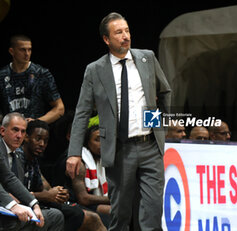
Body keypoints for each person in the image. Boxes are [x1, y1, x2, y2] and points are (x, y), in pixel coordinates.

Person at [66, 12, 171, 231]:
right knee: (120, 216)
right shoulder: (95, 70)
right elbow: (82, 112)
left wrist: (159, 125)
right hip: (119, 150)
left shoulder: (147, 58)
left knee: (152, 213)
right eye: (118, 32)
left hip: (150, 146)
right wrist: (74, 152)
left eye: (127, 30)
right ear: (107, 39)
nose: (125, 36)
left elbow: (164, 92)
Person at [20, 120, 107, 231]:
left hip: (38, 202)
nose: (42, 144)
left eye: (45, 141)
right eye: (38, 139)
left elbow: (46, 187)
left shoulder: (34, 160)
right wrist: (47, 195)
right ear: (26, 137)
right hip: (23, 206)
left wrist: (59, 193)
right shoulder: (17, 158)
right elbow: (14, 194)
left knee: (91, 216)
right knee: (89, 217)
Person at [0, 35, 64, 124]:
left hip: (34, 131)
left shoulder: (41, 73)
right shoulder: (2, 75)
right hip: (9, 132)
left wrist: (37, 122)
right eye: (22, 50)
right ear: (12, 51)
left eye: (29, 49)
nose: (27, 54)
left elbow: (59, 108)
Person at [0, 112, 44, 230]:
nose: (19, 136)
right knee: (13, 222)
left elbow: (10, 179)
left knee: (55, 216)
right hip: (4, 206)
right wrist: (12, 205)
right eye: (15, 130)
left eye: (23, 131)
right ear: (2, 131)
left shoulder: (19, 155)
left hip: (8, 205)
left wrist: (34, 204)